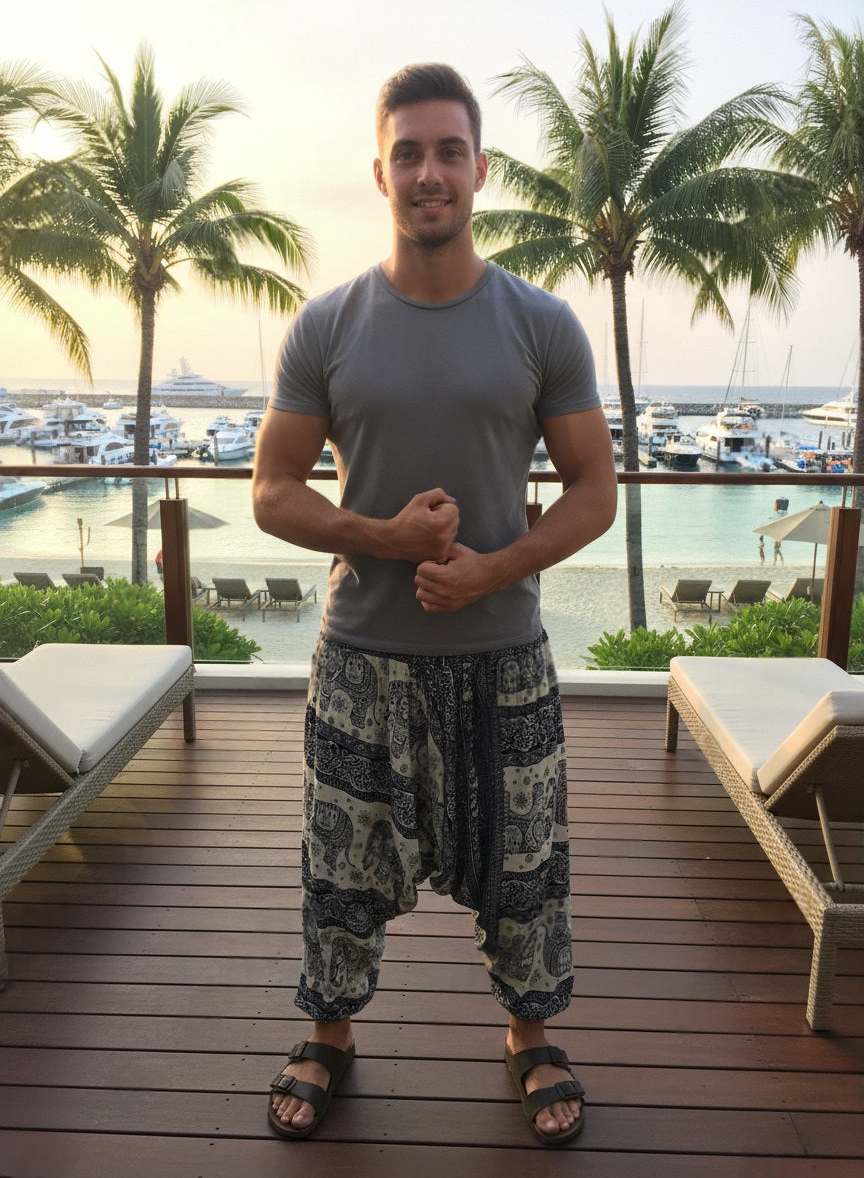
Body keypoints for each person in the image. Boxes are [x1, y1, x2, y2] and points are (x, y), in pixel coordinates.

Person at [252, 62, 617, 1148]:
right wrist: (387, 538)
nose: (428, 173)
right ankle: (329, 1033)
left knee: (525, 871)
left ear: (480, 168)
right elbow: (272, 489)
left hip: (505, 655)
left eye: (448, 151)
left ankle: (529, 1035)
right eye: (407, 153)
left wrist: (492, 569)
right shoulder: (327, 325)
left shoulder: (542, 323)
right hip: (361, 657)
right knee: (340, 872)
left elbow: (595, 491)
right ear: (380, 173)